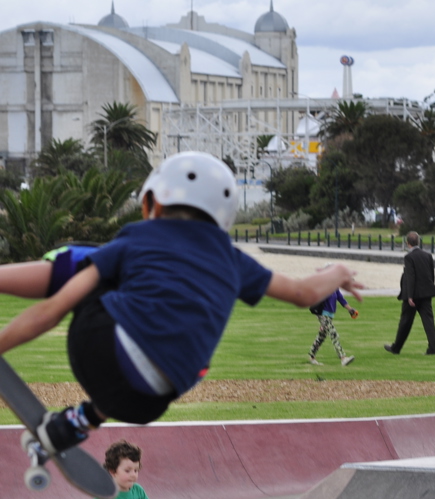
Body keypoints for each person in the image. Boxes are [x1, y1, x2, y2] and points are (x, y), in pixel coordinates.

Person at [0, 151, 363, 455]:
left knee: (88, 261)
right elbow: (302, 294)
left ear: (152, 202)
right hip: (150, 401)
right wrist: (339, 270)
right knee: (171, 343)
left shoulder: (136, 239)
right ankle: (75, 424)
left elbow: (52, 311)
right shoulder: (234, 259)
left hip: (99, 352)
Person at [384, 231, 435, 355]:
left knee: (405, 322)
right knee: (428, 321)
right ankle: (432, 348)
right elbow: (431, 275)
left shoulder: (409, 257)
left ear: (407, 243)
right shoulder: (427, 255)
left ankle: (396, 348)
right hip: (426, 294)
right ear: (418, 242)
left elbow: (411, 276)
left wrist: (409, 296)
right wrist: (429, 290)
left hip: (412, 295)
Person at [308, 281, 358, 366]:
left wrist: (350, 309)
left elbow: (341, 298)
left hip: (330, 315)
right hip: (323, 315)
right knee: (333, 334)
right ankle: (343, 358)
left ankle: (311, 357)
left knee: (322, 336)